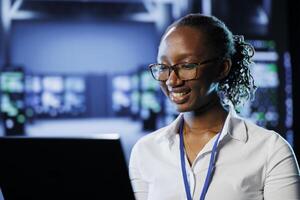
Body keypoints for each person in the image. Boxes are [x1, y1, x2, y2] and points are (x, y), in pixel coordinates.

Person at [129, 13, 300, 200]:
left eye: (186, 66)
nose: (172, 80)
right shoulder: (145, 151)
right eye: (163, 67)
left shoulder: (270, 150)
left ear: (222, 68)